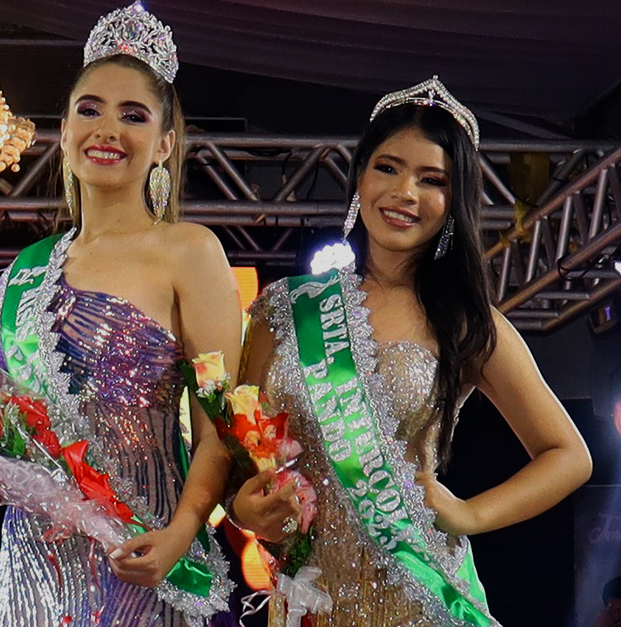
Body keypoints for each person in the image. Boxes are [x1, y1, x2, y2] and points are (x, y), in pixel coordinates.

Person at [0, 2, 242, 626]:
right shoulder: (27, 271)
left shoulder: (189, 251)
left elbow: (219, 424)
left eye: (134, 115)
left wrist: (180, 535)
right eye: (89, 109)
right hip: (36, 554)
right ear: (63, 131)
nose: (107, 129)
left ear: (164, 144)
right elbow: (30, 449)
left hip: (150, 536)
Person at [231, 78, 593, 626]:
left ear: (453, 202)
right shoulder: (285, 309)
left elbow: (569, 455)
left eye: (432, 180)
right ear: (359, 176)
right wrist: (245, 509)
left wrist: (469, 513)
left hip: (419, 597)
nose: (405, 193)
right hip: (308, 600)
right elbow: (241, 455)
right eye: (388, 167)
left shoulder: (466, 321)